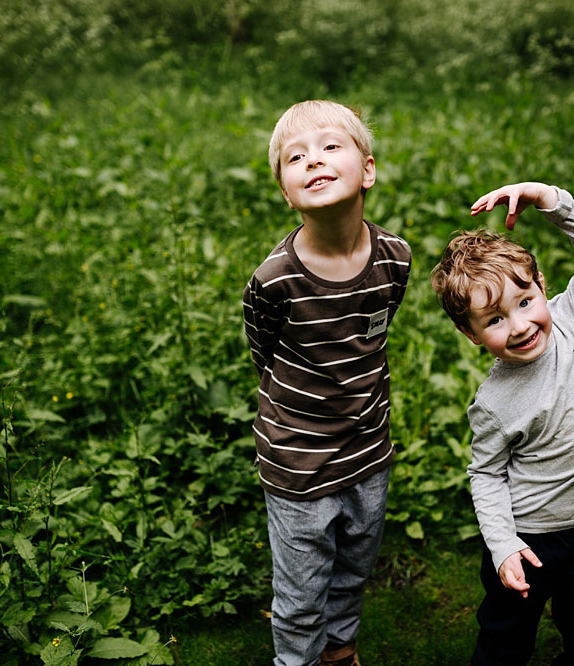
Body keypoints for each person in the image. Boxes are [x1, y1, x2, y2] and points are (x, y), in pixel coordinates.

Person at [430, 182, 574, 665]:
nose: (519, 325)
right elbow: (486, 473)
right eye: (494, 319)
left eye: (524, 302)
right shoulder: (496, 401)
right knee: (506, 633)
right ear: (471, 334)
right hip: (532, 539)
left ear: (541, 286)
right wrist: (502, 546)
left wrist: (547, 198)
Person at [242, 100, 411, 666]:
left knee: (352, 569)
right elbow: (263, 350)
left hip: (369, 450)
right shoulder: (275, 280)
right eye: (296, 156)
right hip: (298, 464)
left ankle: (339, 651)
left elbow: (375, 335)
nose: (314, 159)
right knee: (300, 592)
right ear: (287, 192)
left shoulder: (395, 258)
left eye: (331, 146)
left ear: (367, 169)